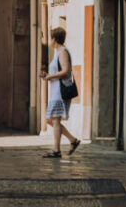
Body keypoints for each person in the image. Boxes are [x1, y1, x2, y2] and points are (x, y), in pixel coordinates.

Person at [39, 26, 80, 158]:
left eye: (50, 37)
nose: (49, 40)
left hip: (60, 93)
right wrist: (48, 74)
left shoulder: (62, 51)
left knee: (54, 120)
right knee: (50, 120)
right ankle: (73, 140)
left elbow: (65, 71)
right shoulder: (58, 52)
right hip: (55, 92)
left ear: (54, 39)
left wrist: (50, 77)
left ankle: (56, 150)